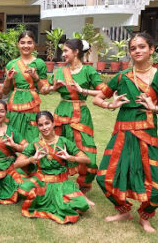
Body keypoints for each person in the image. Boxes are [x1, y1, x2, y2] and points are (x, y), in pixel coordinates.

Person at [92, 32, 158, 233]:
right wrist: (111, 105)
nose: (137, 51)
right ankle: (123, 210)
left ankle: (145, 216)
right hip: (121, 134)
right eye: (133, 48)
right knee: (104, 177)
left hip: (147, 135)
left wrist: (156, 108)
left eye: (141, 47)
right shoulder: (122, 77)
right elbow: (97, 99)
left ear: (151, 49)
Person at [41, 39, 106, 204]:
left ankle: (83, 188)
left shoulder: (88, 70)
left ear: (76, 52)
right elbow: (43, 90)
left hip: (81, 114)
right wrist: (53, 88)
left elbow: (105, 91)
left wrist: (82, 90)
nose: (63, 54)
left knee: (87, 153)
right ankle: (58, 185)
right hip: (61, 113)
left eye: (66, 51)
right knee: (57, 149)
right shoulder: (59, 71)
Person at [15, 111, 91, 224]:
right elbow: (17, 164)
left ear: (53, 123)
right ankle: (54, 201)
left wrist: (71, 158)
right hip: (42, 181)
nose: (44, 127)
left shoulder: (64, 141)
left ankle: (59, 200)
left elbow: (87, 160)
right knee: (23, 190)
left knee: (83, 206)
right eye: (40, 125)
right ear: (37, 126)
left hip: (61, 182)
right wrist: (31, 159)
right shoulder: (36, 143)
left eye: (47, 123)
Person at [2, 31, 47, 140]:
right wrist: (8, 79)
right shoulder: (11, 64)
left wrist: (36, 77)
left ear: (34, 44)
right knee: (13, 133)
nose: (26, 46)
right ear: (18, 44)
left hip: (32, 102)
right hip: (15, 102)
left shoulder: (40, 63)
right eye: (22, 43)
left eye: (29, 42)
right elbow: (5, 91)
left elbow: (44, 90)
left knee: (31, 134)